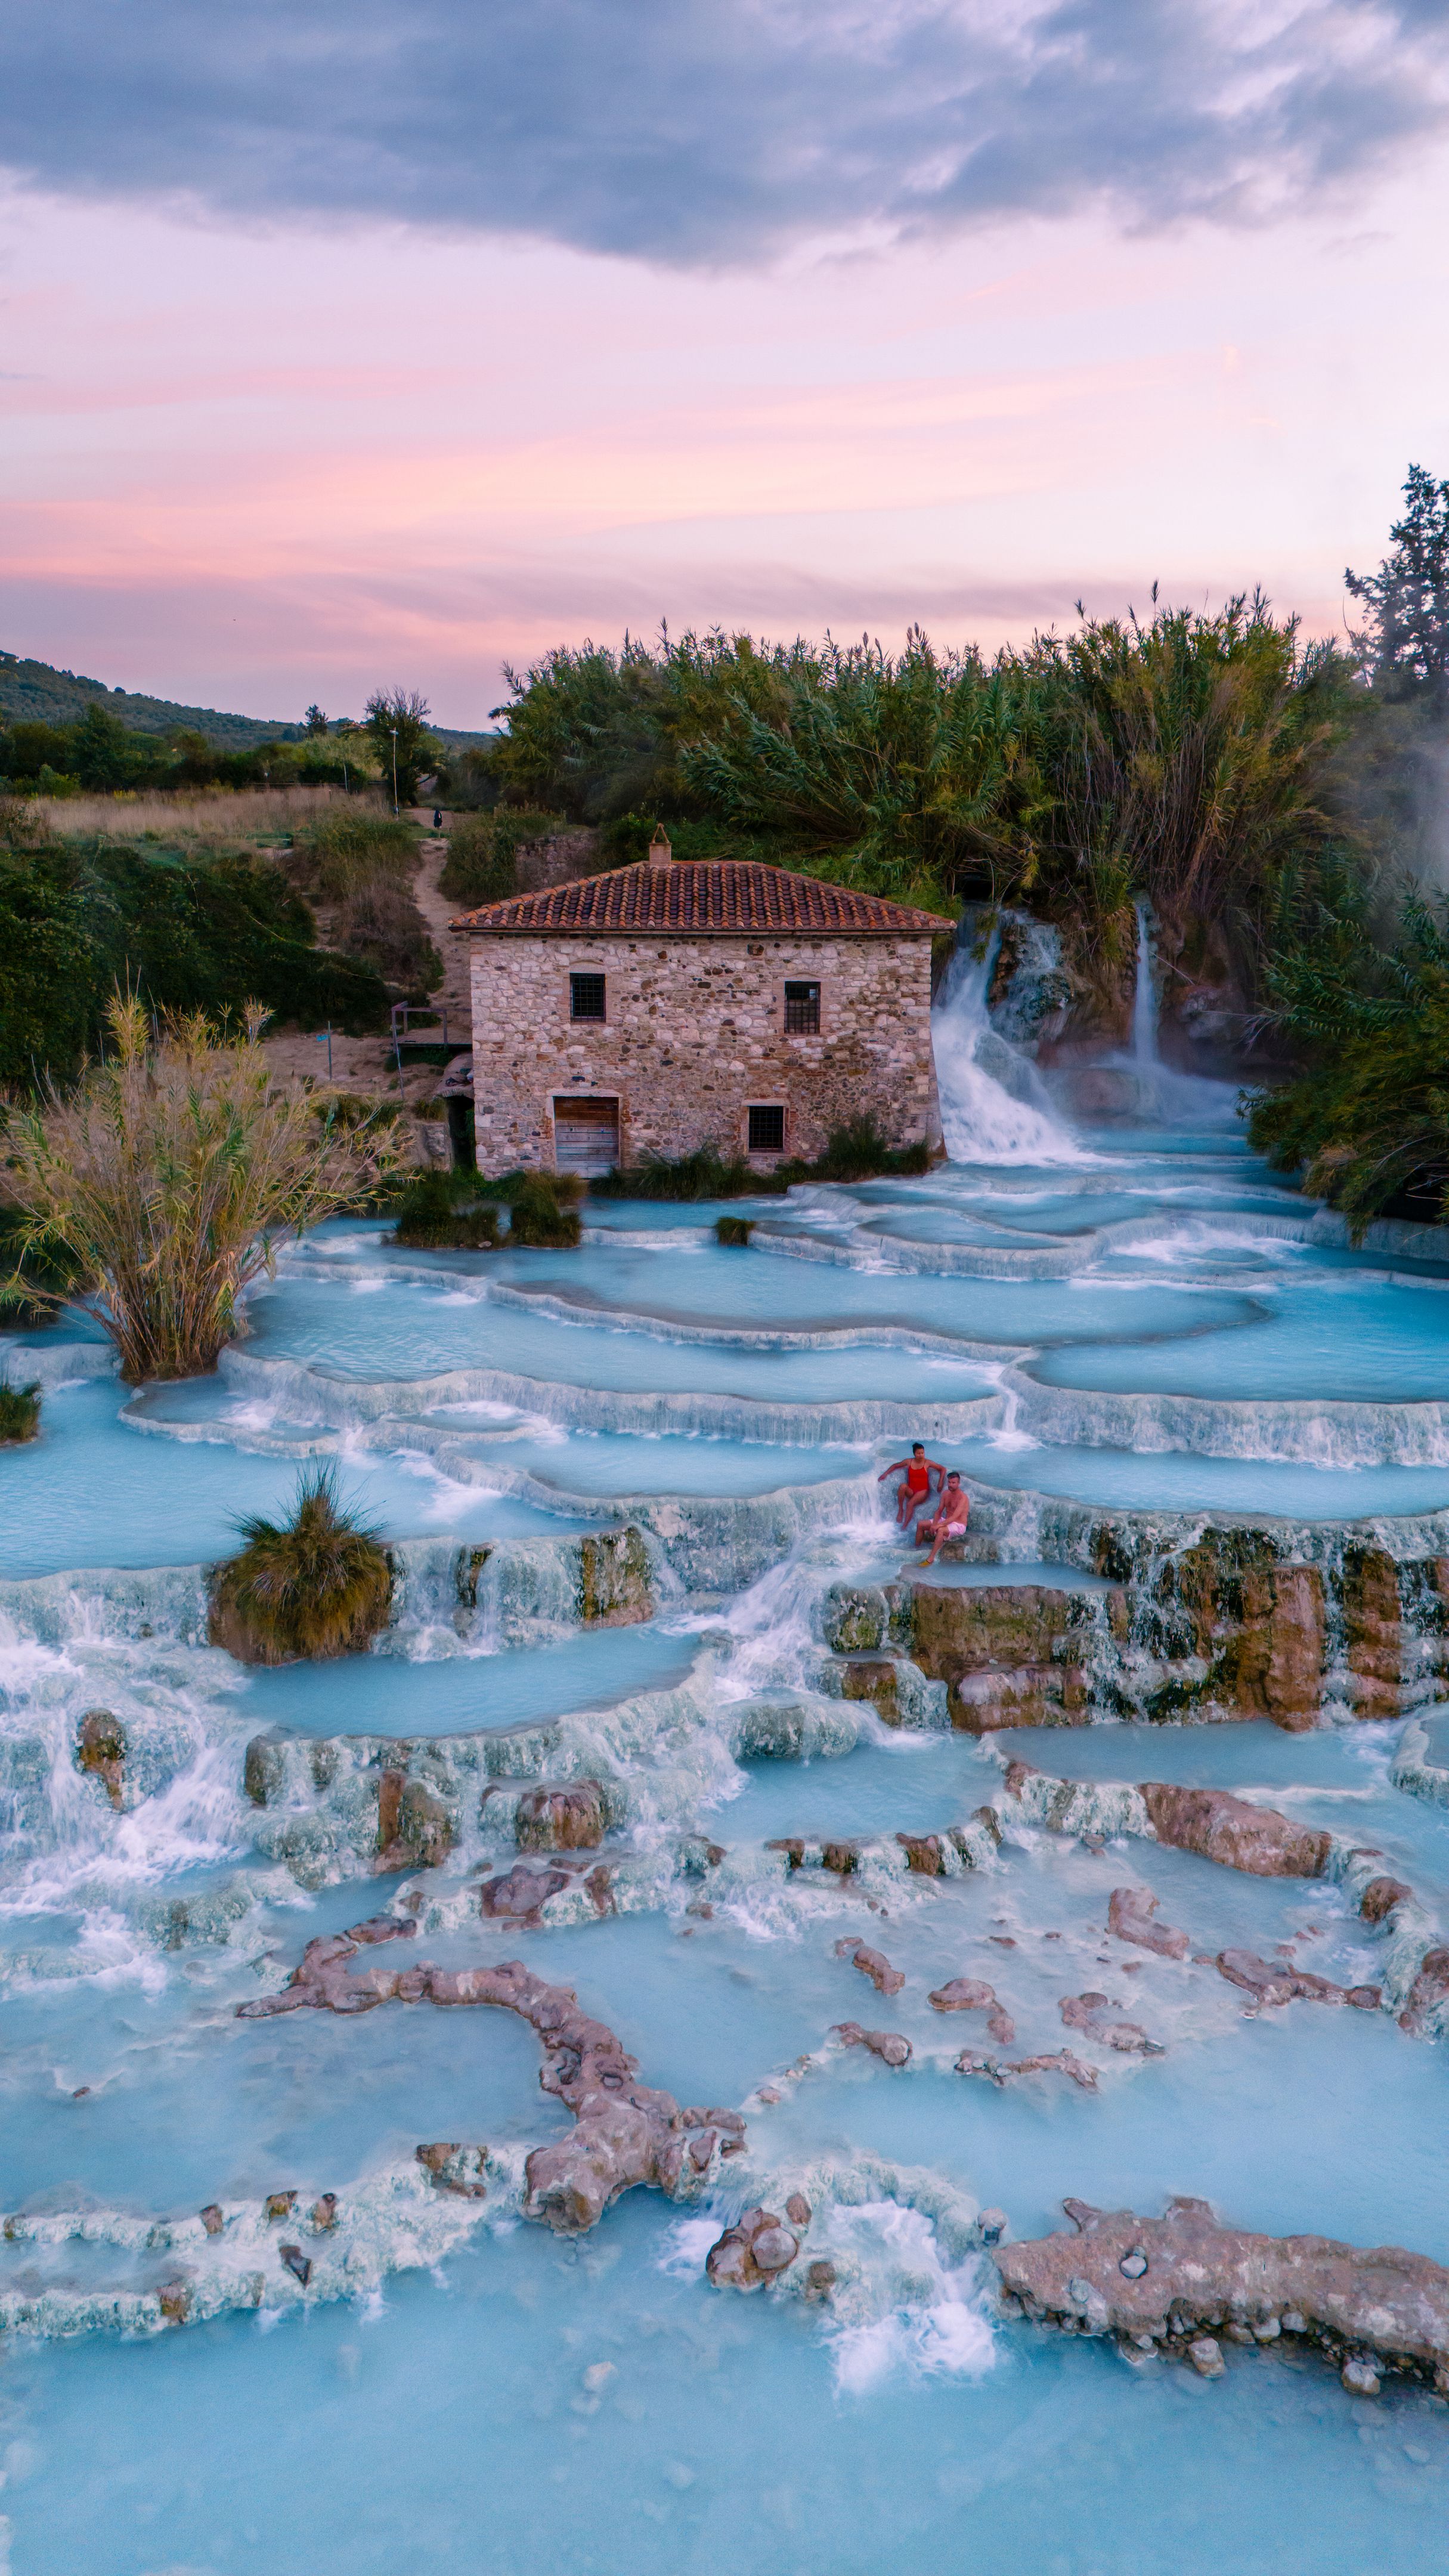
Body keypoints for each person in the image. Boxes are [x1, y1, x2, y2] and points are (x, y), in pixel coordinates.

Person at [878, 1442, 943, 1530]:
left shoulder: (927, 1463)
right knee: (903, 1486)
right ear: (914, 1454)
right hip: (912, 1491)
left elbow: (942, 1469)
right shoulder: (909, 1462)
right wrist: (885, 1474)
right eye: (918, 1453)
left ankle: (904, 1526)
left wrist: (940, 1483)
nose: (921, 1455)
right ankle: (901, 1510)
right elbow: (895, 1466)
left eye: (922, 1453)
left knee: (910, 1504)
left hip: (923, 1492)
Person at [915, 1471, 970, 1566]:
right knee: (921, 1524)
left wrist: (938, 1526)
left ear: (958, 1483)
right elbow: (939, 1511)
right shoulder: (945, 1494)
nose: (951, 1485)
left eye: (953, 1483)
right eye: (949, 1482)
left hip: (958, 1525)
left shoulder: (963, 1498)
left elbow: (955, 1517)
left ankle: (931, 1558)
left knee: (940, 1530)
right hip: (947, 1521)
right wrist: (934, 1524)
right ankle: (916, 1548)